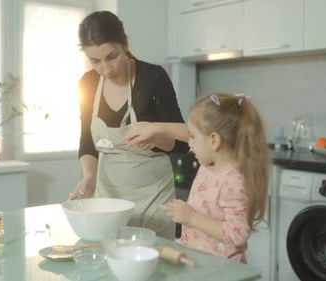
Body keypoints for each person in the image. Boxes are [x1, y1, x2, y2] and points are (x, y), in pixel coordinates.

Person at [68, 10, 188, 239]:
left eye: (112, 56)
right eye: (95, 61)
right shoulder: (88, 83)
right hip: (108, 203)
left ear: (125, 43)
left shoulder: (153, 78)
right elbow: (87, 142)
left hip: (154, 202)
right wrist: (89, 177)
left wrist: (155, 135)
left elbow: (180, 143)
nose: (105, 68)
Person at [126, 93, 270, 263]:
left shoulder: (234, 182)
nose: (189, 143)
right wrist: (155, 137)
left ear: (214, 141)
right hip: (202, 262)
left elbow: (237, 234)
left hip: (223, 271)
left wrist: (191, 217)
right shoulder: (208, 166)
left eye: (192, 136)